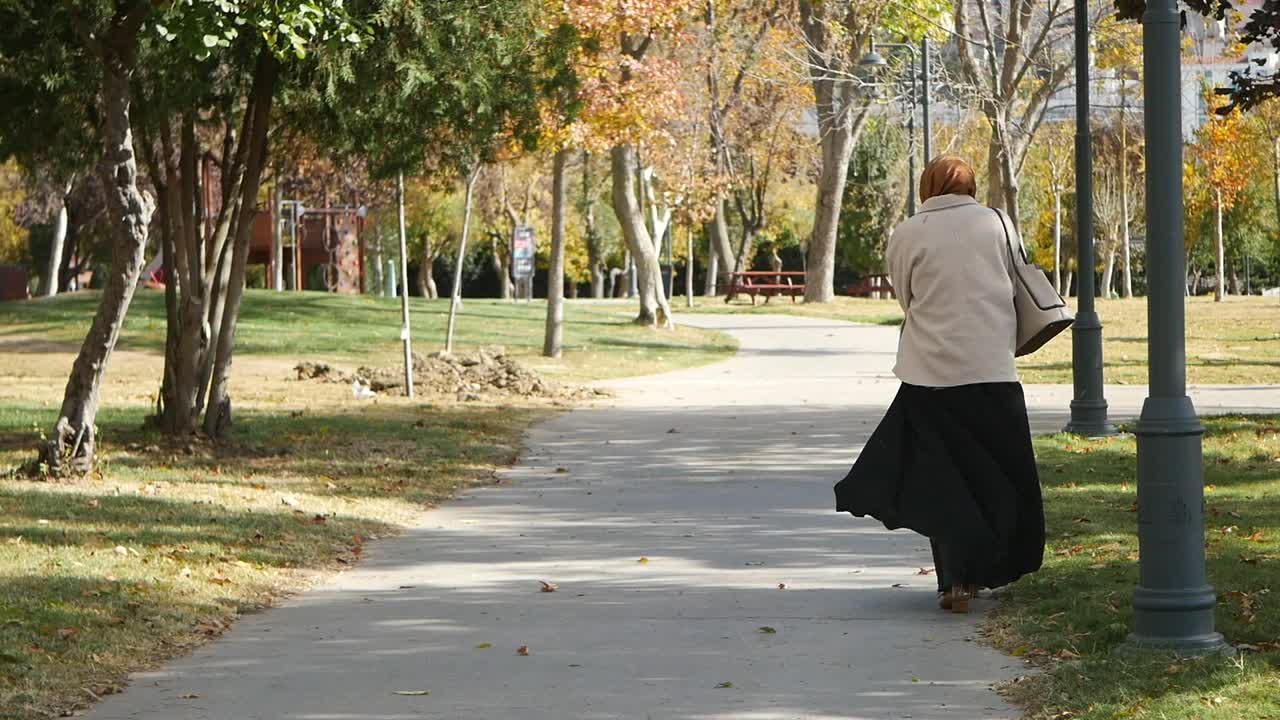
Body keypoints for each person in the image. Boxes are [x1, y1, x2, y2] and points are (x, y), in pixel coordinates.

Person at [834, 156, 1045, 614]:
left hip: (929, 374)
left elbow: (905, 296)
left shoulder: (907, 232)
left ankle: (956, 580)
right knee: (996, 473)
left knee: (942, 479)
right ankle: (991, 565)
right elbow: (1015, 279)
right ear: (969, 185)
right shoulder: (996, 222)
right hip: (991, 368)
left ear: (928, 186)